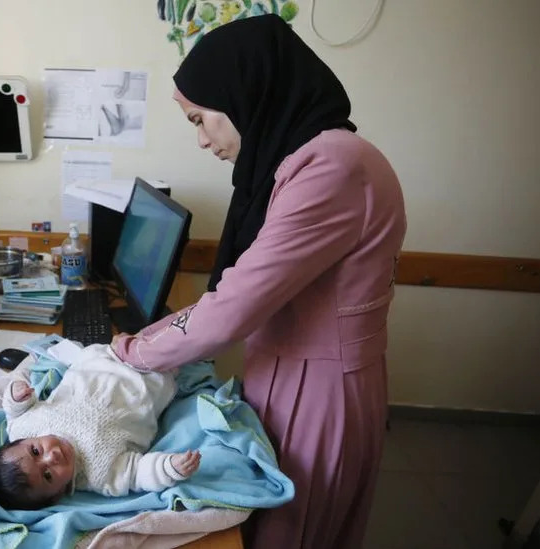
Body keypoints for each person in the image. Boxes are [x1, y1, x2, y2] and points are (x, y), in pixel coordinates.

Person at [110, 15, 406, 549]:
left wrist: (133, 352)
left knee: (291, 528)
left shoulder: (332, 167)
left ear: (246, 94)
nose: (201, 140)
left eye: (202, 120)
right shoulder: (297, 161)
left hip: (320, 388)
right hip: (285, 368)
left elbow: (232, 307)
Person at [0, 345, 201, 509]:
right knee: (192, 333)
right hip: (152, 375)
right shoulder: (100, 475)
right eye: (47, 475)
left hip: (105, 356)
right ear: (58, 494)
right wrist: (169, 468)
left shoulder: (22, 430)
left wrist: (16, 395)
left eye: (36, 451)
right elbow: (138, 474)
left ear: (24, 442)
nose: (52, 457)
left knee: (155, 325)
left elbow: (14, 412)